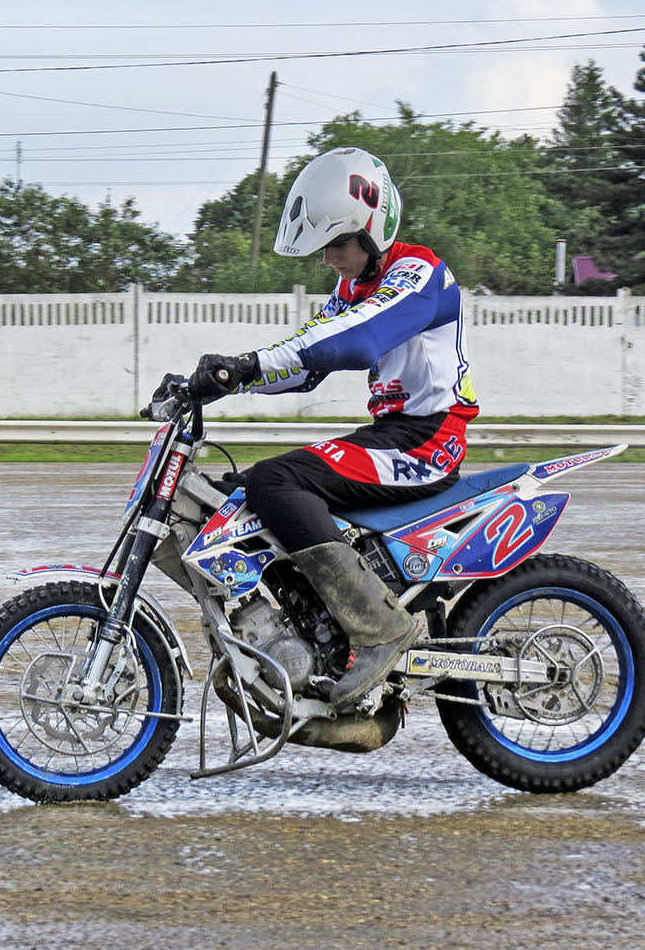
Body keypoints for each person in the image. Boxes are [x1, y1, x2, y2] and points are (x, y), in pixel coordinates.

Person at [184, 147, 478, 708]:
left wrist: (249, 364)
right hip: (394, 436)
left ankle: (379, 630)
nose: (329, 259)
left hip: (428, 441)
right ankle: (312, 628)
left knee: (275, 482)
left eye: (337, 244)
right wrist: (224, 380)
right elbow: (305, 365)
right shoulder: (352, 289)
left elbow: (357, 341)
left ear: (371, 231)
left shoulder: (420, 273)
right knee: (238, 496)